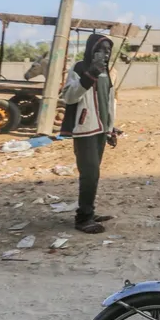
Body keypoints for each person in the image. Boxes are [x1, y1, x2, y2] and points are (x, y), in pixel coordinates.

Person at [59, 33, 119, 234]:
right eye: (101, 49)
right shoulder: (79, 68)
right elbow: (68, 96)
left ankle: (89, 212)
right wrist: (89, 74)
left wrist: (111, 129)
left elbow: (109, 101)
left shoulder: (107, 72)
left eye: (108, 50)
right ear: (91, 50)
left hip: (101, 130)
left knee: (93, 175)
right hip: (85, 130)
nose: (105, 53)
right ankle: (83, 218)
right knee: (90, 174)